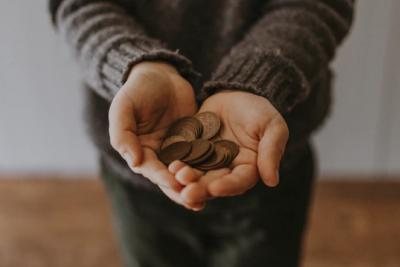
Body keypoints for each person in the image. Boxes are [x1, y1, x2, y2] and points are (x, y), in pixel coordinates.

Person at [49, 0, 355, 266]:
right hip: (138, 173)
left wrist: (258, 75)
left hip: (268, 161)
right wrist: (134, 65)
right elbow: (78, 4)